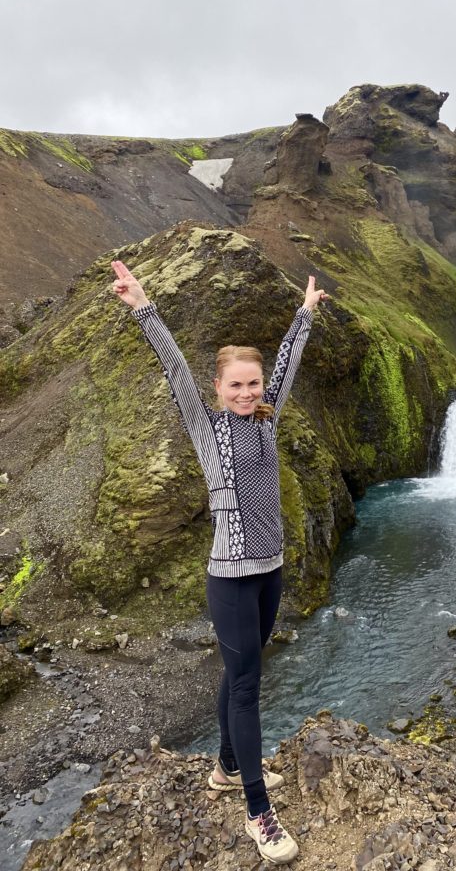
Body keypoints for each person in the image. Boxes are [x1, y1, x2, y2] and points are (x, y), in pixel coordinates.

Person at [111, 258, 328, 865]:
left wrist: (303, 317)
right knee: (249, 685)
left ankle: (227, 768)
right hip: (230, 578)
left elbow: (286, 367)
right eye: (235, 384)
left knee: (238, 674)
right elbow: (175, 367)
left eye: (252, 384)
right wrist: (143, 306)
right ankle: (259, 811)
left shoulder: (267, 419)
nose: (246, 392)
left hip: (271, 571)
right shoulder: (207, 428)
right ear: (218, 389)